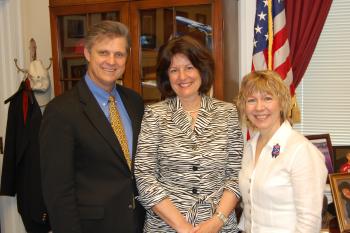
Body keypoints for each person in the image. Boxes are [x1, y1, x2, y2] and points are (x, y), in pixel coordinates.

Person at [39, 21, 145, 233]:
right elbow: (58, 192)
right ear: (88, 53)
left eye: (119, 54)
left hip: (139, 223)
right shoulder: (61, 111)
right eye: (103, 52)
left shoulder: (134, 102)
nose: (111, 61)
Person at [134, 36, 243, 233]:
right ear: (167, 76)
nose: (182, 76)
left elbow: (235, 175)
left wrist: (216, 221)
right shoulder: (154, 114)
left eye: (189, 67)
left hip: (219, 225)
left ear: (202, 69)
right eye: (174, 70)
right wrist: (182, 226)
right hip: (166, 227)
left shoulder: (227, 112)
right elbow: (144, 176)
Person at [236, 70, 328, 233]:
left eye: (267, 98)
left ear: (282, 102)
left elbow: (309, 223)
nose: (259, 107)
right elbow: (251, 208)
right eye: (251, 100)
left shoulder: (301, 150)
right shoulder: (250, 147)